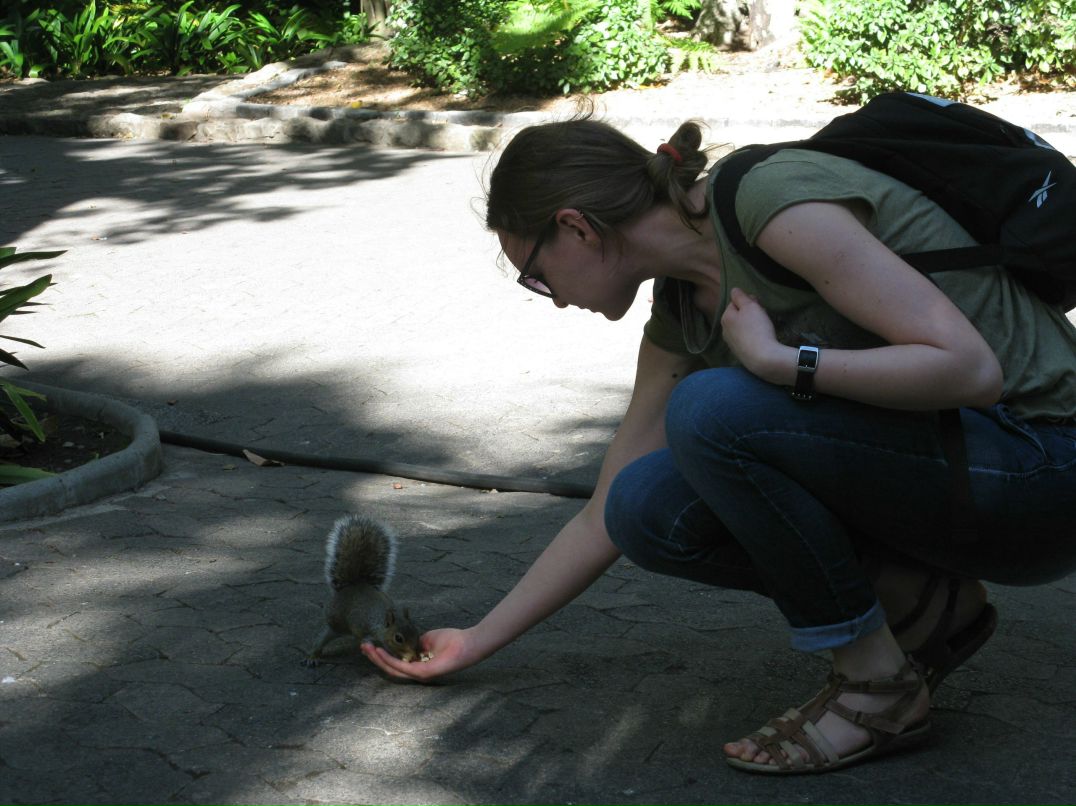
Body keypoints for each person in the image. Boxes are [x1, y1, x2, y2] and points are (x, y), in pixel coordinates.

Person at [363, 115, 1076, 774]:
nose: (548, 295)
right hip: (963, 475)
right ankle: (926, 607)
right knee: (646, 506)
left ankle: (878, 687)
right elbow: (605, 507)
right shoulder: (681, 304)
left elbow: (971, 368)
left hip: (1045, 462)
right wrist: (479, 639)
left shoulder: (767, 201)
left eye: (535, 272)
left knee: (713, 410)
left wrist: (781, 364)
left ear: (576, 227)